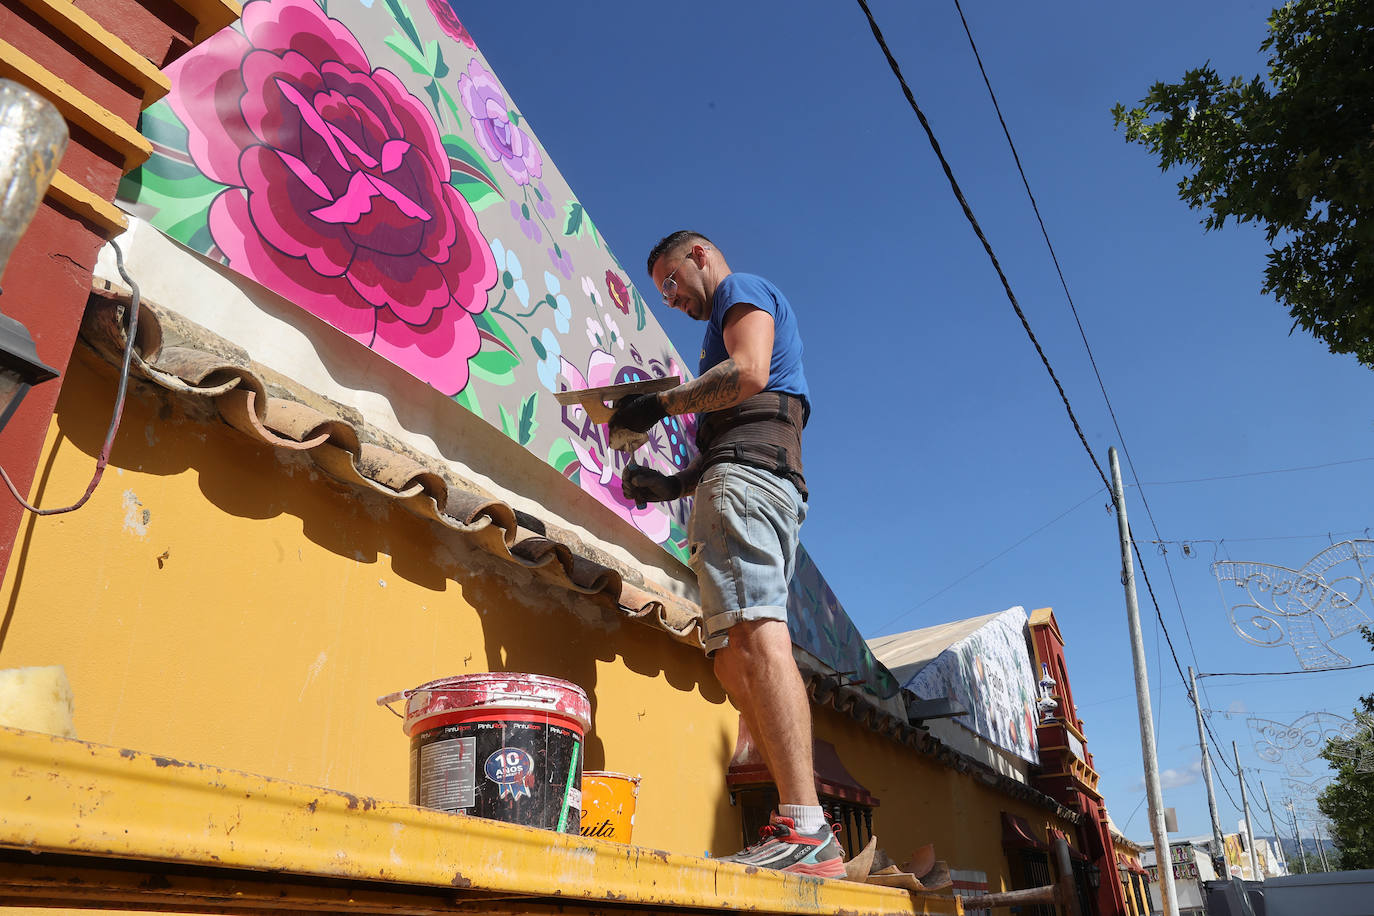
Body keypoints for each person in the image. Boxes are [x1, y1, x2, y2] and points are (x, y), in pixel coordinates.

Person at [608, 231, 844, 878]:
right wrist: (671, 486)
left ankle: (807, 828)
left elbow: (749, 374)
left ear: (702, 254)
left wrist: (659, 404)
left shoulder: (741, 292)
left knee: (757, 636)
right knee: (731, 662)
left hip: (749, 482)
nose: (672, 296)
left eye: (672, 280)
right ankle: (805, 825)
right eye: (662, 291)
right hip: (736, 477)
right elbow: (733, 422)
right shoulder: (717, 330)